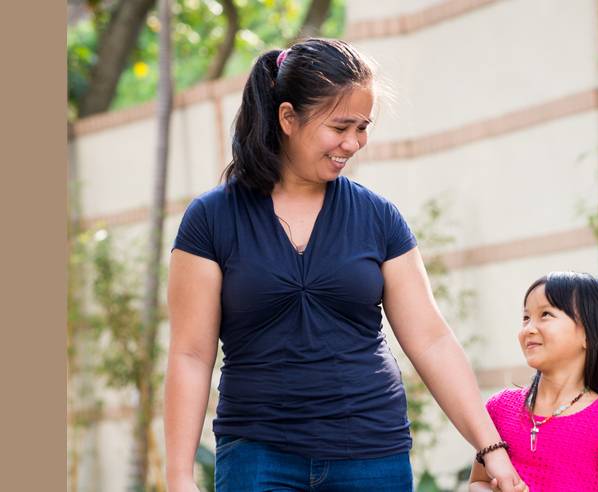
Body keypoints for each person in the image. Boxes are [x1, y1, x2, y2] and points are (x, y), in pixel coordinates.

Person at [164, 38, 526, 492]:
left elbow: (431, 340)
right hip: (258, 457)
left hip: (372, 455)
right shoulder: (212, 219)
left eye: (363, 127)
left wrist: (491, 450)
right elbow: (191, 354)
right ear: (288, 118)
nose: (353, 143)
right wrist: (178, 475)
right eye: (340, 127)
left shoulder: (379, 218)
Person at [469, 272, 598, 491]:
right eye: (526, 317)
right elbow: (478, 481)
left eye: (546, 315)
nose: (528, 328)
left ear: (589, 335)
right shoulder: (500, 407)